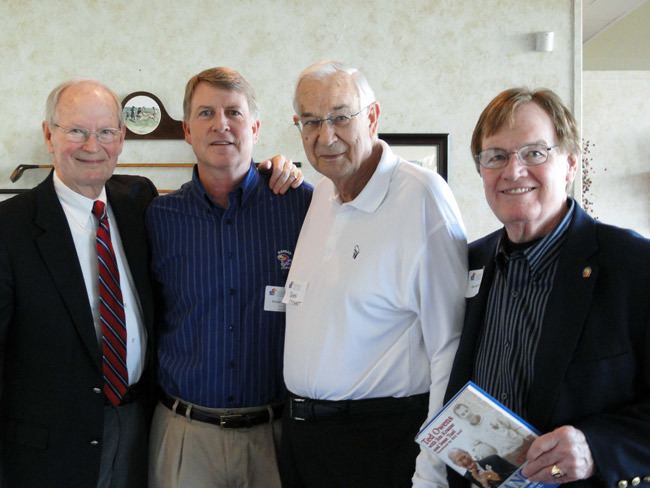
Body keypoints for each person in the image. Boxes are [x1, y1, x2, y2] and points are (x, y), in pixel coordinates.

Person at [444, 87, 650, 487]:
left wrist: (597, 447)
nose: (513, 171)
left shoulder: (633, 265)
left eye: (535, 153)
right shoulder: (468, 263)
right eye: (496, 156)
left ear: (570, 164)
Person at [280, 60, 468, 487]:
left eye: (341, 117)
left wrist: (433, 470)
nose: (325, 136)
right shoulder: (323, 193)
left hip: (379, 442)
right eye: (310, 121)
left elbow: (450, 349)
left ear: (373, 116)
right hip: (304, 440)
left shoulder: (423, 197)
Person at [146, 67, 312, 488]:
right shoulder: (158, 218)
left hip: (274, 437)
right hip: (185, 436)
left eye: (234, 112)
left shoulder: (302, 207)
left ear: (255, 127)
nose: (221, 124)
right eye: (206, 113)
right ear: (186, 130)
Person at [0, 79, 157, 487]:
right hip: (48, 449)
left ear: (121, 139)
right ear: (48, 135)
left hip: (139, 426)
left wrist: (270, 170)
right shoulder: (9, 227)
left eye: (106, 132)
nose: (93, 145)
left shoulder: (139, 201)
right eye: (76, 131)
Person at [448, 448, 516, 488]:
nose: (465, 461)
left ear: (468, 453)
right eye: (460, 460)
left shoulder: (493, 459)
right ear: (456, 464)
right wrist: (486, 485)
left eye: (464, 456)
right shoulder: (466, 481)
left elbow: (519, 471)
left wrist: (499, 477)